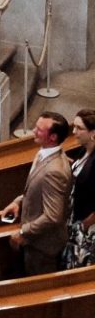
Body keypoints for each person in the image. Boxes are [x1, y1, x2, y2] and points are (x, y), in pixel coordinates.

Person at [4, 114, 74, 274]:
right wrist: (18, 201)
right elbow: (38, 191)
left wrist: (23, 232)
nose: (33, 131)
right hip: (35, 241)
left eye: (39, 130)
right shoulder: (44, 153)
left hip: (42, 247)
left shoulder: (54, 171)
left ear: (53, 137)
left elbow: (52, 216)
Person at [63, 110, 95, 268]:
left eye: (79, 128)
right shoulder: (84, 150)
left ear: (93, 133)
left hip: (85, 230)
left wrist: (84, 225)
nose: (74, 132)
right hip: (74, 219)